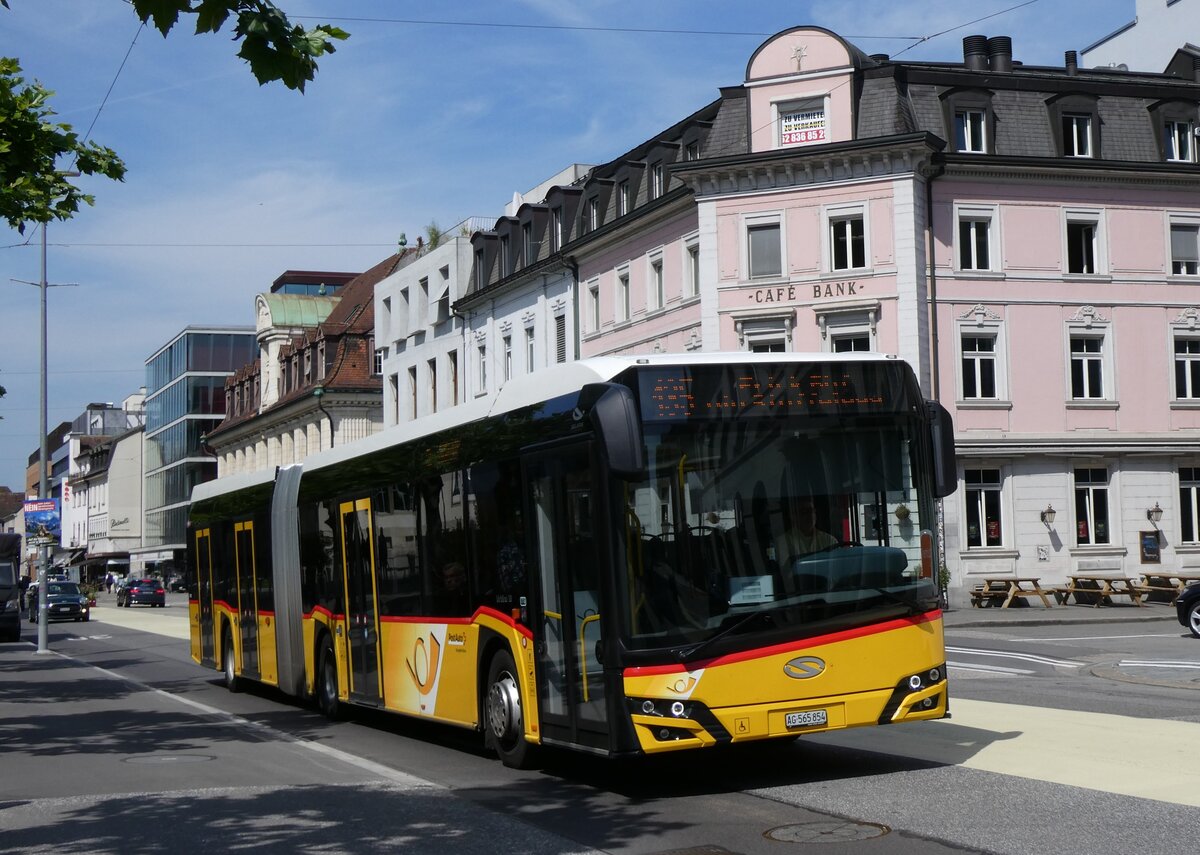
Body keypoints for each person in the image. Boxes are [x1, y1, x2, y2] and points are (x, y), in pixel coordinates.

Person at [774, 497, 838, 563]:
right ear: (793, 516)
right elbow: (786, 571)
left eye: (811, 511)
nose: (810, 515)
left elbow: (836, 566)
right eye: (804, 512)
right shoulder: (782, 542)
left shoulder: (830, 540)